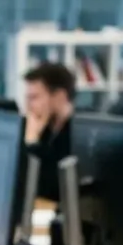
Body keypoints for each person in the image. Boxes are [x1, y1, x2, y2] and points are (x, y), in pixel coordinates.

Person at [24, 62, 76, 201]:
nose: (28, 105)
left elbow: (47, 187)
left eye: (34, 98)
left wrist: (32, 142)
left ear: (60, 97)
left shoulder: (76, 134)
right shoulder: (46, 127)